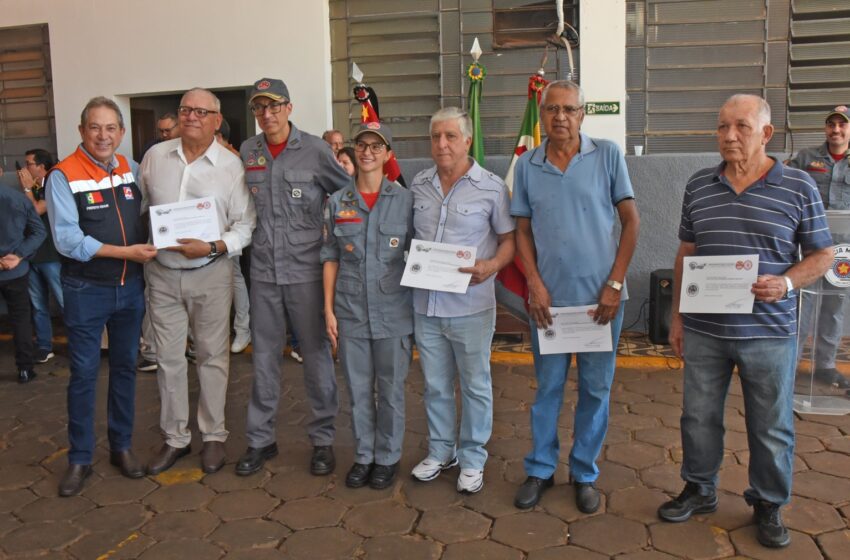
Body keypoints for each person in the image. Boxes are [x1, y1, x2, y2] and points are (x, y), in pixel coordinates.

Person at [657, 94, 833, 548]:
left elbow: (822, 254)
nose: (729, 136)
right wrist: (676, 316)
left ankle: (769, 503)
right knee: (697, 416)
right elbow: (686, 253)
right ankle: (700, 487)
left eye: (741, 127)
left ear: (766, 133)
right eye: (722, 127)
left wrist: (787, 284)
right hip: (704, 332)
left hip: (769, 333)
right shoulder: (699, 185)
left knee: (771, 424)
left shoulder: (798, 186)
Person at [511, 80, 640, 513]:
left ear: (583, 114)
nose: (560, 117)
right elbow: (522, 230)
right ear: (541, 114)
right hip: (548, 304)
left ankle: (584, 472)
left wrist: (615, 284)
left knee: (595, 389)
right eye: (551, 109)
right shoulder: (528, 165)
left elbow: (631, 221)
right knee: (548, 388)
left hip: (600, 303)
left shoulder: (607, 155)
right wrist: (534, 283)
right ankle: (540, 469)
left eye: (569, 109)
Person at [236, 78, 350, 477]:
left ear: (289, 107)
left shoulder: (316, 151)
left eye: (273, 106)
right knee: (263, 359)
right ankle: (260, 440)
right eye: (259, 108)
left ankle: (322, 441)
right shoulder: (248, 152)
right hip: (264, 272)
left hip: (306, 272)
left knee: (316, 357)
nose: (266, 115)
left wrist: (341, 247)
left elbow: (346, 196)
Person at [139, 88, 256, 475]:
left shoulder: (230, 166)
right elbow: (143, 207)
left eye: (201, 111)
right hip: (162, 274)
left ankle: (213, 436)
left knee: (211, 358)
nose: (191, 116)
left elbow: (245, 224)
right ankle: (175, 439)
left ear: (216, 121)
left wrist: (213, 245)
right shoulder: (154, 157)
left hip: (211, 274)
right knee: (168, 360)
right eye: (185, 109)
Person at [47, 96, 157, 496]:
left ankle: (121, 447)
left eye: (111, 128)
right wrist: (124, 253)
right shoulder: (63, 175)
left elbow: (151, 213)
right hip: (86, 290)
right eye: (95, 127)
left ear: (122, 133)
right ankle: (79, 459)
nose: (103, 135)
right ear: (82, 131)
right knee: (84, 374)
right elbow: (67, 239)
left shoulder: (131, 169)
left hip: (130, 289)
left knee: (126, 368)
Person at [409, 107, 515, 494]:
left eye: (451, 136)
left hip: (471, 306)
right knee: (435, 384)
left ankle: (472, 457)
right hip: (426, 305)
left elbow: (509, 241)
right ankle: (441, 451)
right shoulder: (418, 185)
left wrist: (491, 266)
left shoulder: (490, 187)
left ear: (467, 140)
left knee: (475, 385)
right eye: (436, 136)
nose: (442, 144)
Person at [321, 122, 413, 489]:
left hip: (394, 312)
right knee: (358, 391)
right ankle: (364, 455)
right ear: (353, 152)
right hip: (351, 311)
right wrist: (328, 310)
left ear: (388, 154)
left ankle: (388, 458)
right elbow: (329, 256)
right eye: (362, 145)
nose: (368, 151)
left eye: (377, 146)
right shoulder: (337, 202)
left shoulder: (405, 201)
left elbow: (418, 255)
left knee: (390, 391)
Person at [787, 105, 850, 388]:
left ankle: (825, 366)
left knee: (834, 308)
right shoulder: (806, 157)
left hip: (844, 251)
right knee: (801, 305)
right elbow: (786, 188)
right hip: (809, 248)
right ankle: (788, 363)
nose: (836, 129)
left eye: (842, 125)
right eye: (831, 124)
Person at [17, 149, 63, 364]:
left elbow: (34, 211)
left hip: (51, 255)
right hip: (32, 255)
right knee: (38, 304)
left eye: (29, 164)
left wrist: (26, 188)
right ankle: (45, 346)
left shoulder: (52, 183)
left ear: (41, 166)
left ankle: (82, 343)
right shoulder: (31, 188)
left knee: (64, 302)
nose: (24, 169)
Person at [0, 181, 46, 383]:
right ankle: (25, 369)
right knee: (21, 319)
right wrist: (18, 255)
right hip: (14, 270)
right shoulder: (18, 198)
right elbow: (39, 232)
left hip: (13, 268)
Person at [216, 117, 252, 353]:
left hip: (232, 231)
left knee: (234, 278)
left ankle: (242, 329)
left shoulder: (236, 160)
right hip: (204, 234)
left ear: (221, 137)